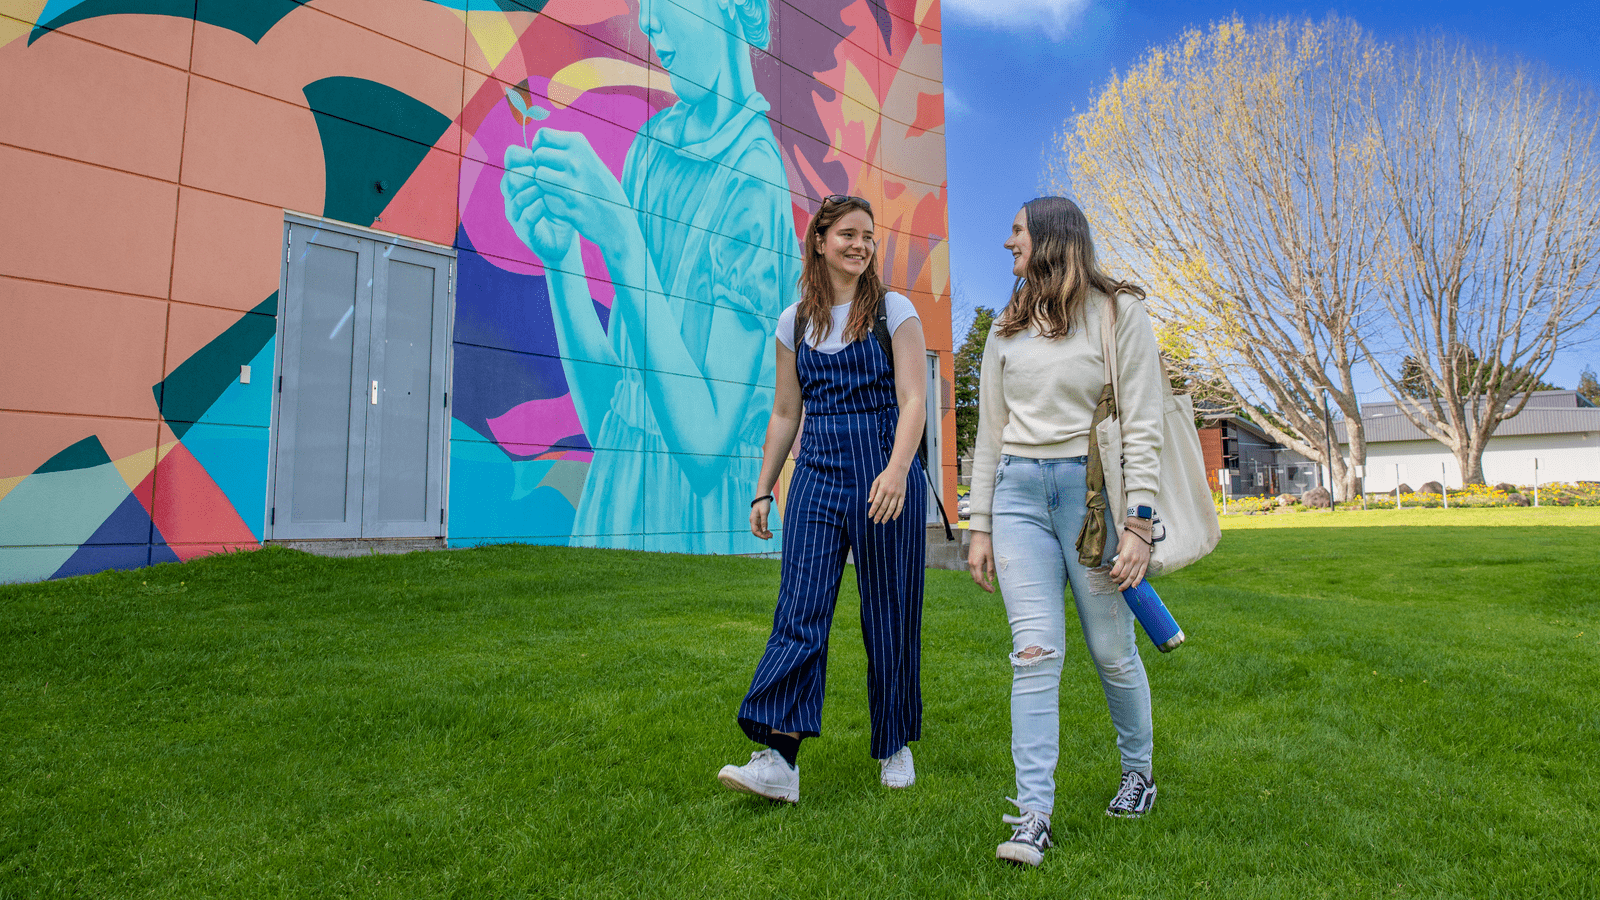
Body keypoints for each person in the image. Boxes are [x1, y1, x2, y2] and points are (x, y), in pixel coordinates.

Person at [501, 0, 796, 554]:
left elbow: (706, 450)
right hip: (616, 506)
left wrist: (618, 237)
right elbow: (617, 410)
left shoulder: (755, 179)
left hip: (704, 529)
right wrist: (562, 260)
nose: (647, 22)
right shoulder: (650, 150)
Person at [966, 197, 1166, 867]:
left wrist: (1139, 523)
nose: (1006, 242)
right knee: (1035, 652)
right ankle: (1033, 817)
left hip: (1092, 504)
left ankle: (1138, 774)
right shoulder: (1005, 329)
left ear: (1052, 237)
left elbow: (1142, 424)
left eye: (1016, 230)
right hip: (1019, 493)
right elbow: (989, 435)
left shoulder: (1118, 314)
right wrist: (980, 525)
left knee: (1112, 651)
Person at [716, 195, 930, 803]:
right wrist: (764, 487)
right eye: (848, 234)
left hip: (884, 475)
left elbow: (914, 399)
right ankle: (779, 760)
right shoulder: (794, 323)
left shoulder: (894, 310)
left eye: (868, 236)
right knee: (800, 610)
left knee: (888, 613)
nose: (861, 245)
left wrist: (896, 470)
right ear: (819, 240)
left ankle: (893, 743)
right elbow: (786, 412)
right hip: (815, 477)